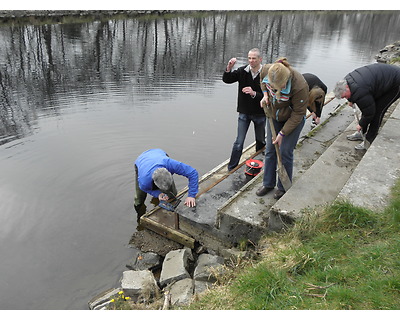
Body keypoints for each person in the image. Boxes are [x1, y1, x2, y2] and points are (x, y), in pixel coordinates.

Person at [256, 57, 308, 200]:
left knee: (285, 151)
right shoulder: (267, 70)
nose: (274, 89)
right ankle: (268, 184)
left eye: (277, 87)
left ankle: (282, 186)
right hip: (274, 116)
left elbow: (299, 113)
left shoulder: (300, 85)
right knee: (270, 150)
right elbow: (262, 82)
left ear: (286, 81)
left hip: (293, 119)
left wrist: (282, 133)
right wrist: (265, 95)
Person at [333, 63, 400, 150]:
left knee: (378, 112)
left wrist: (360, 124)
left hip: (396, 83)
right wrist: (350, 100)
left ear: (346, 88)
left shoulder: (360, 90)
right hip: (380, 80)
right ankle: (361, 133)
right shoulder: (346, 81)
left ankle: (368, 140)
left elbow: (369, 113)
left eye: (345, 96)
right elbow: (365, 107)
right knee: (367, 106)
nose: (346, 98)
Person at [223, 48, 266, 171]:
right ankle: (231, 168)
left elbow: (269, 95)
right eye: (249, 58)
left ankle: (260, 164)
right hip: (244, 113)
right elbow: (227, 79)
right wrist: (229, 68)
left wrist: (254, 93)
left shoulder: (265, 74)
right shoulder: (243, 71)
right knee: (238, 142)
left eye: (254, 58)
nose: (251, 61)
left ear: (260, 59)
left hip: (260, 113)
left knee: (261, 140)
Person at [134, 148, 198, 220]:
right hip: (141, 161)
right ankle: (139, 212)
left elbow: (192, 173)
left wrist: (191, 195)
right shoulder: (144, 181)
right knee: (139, 198)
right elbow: (143, 188)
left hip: (158, 153)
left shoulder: (170, 164)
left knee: (172, 193)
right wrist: (157, 194)